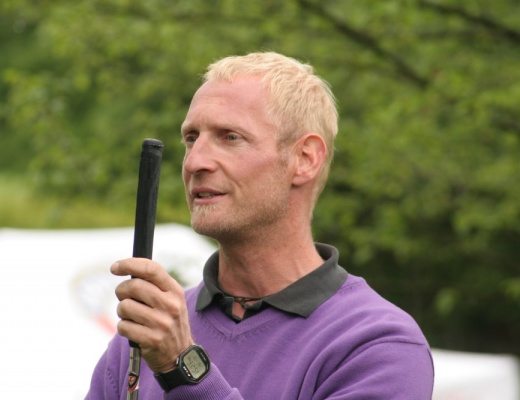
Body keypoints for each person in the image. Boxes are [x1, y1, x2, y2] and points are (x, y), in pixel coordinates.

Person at [86, 52, 434, 399]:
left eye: (230, 137)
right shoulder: (148, 332)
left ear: (305, 159)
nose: (194, 162)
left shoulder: (377, 345)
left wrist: (183, 368)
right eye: (191, 138)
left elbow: (180, 363)